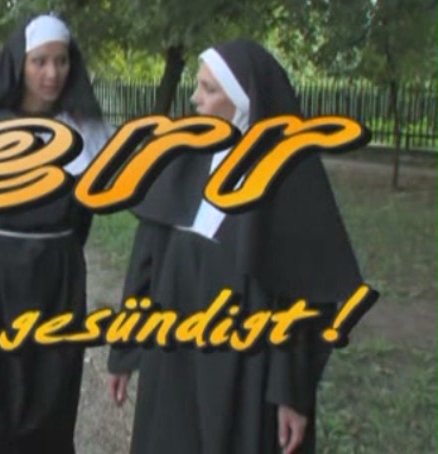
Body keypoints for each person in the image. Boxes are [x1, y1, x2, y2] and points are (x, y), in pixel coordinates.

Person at [107, 39, 365, 454]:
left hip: (245, 368)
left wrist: (291, 393)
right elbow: (146, 262)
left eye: (209, 89)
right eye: (198, 85)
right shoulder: (180, 160)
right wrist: (124, 351)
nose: (195, 98)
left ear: (245, 100)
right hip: (172, 357)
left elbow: (304, 299)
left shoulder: (286, 182)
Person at [0, 13, 113, 454]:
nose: (52, 73)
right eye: (40, 61)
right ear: (19, 64)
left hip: (57, 279)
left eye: (61, 61)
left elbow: (83, 217)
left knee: (50, 393)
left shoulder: (85, 135)